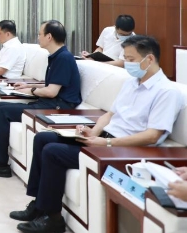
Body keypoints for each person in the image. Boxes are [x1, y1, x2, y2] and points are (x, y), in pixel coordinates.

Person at [11, 35, 183, 233]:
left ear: (149, 59)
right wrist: (93, 132)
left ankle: (53, 218)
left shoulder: (167, 92)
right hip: (104, 139)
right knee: (43, 138)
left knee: (52, 152)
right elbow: (110, 114)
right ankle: (38, 205)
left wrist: (107, 144)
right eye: (126, 58)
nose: (127, 64)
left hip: (123, 149)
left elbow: (153, 136)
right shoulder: (131, 83)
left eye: (131, 59)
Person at [0, 20, 82, 178]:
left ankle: (0, 165)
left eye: (40, 34)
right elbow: (51, 85)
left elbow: (52, 92)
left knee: (2, 111)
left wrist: (31, 90)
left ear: (49, 37)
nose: (38, 37)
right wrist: (29, 86)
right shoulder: (56, 56)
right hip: (49, 102)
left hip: (58, 107)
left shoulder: (64, 58)